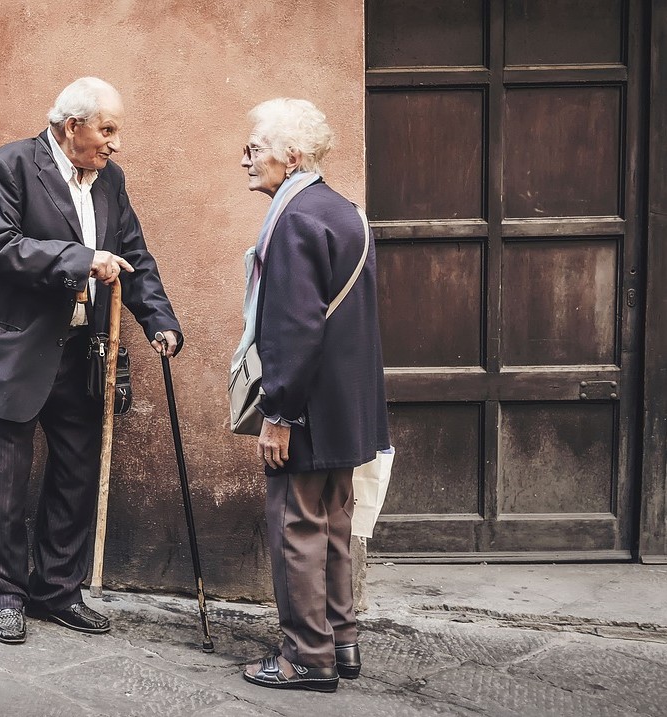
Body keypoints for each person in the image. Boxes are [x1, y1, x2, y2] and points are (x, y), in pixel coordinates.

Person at [0, 77, 182, 645]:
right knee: (3, 485)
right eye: (107, 129)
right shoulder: (7, 166)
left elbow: (133, 255)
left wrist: (160, 320)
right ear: (71, 125)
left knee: (76, 477)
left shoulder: (111, 181)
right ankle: (4, 594)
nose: (115, 143)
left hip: (82, 354)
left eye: (116, 131)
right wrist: (81, 259)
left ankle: (57, 590)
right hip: (11, 352)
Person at [234, 98, 390, 692]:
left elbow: (295, 327)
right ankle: (342, 642)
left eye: (256, 147)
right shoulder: (344, 210)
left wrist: (279, 413)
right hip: (345, 407)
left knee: (298, 526)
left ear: (291, 155)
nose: (245, 157)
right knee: (333, 524)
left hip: (306, 409)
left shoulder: (294, 216)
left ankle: (306, 657)